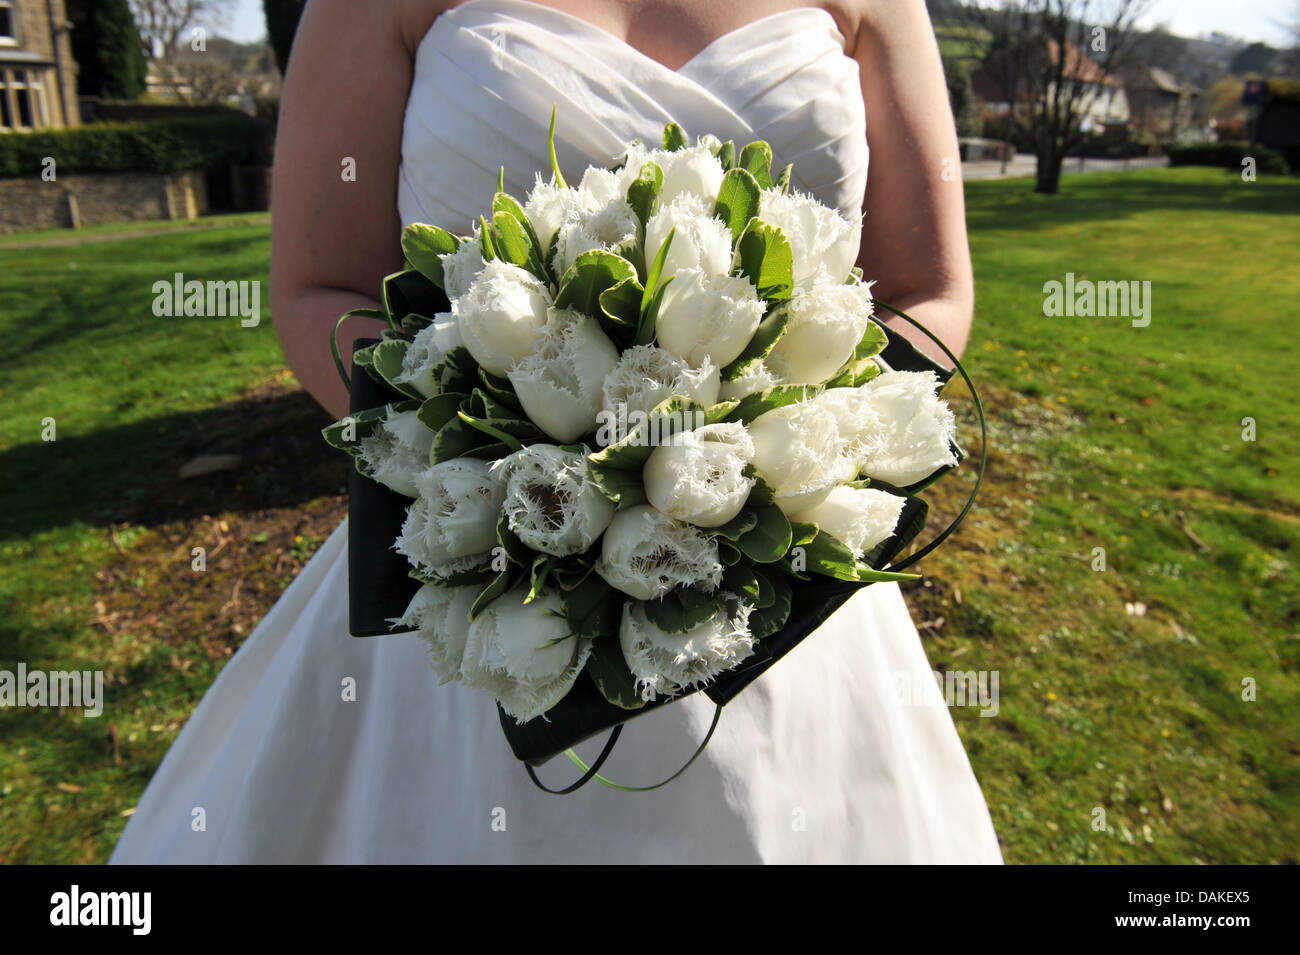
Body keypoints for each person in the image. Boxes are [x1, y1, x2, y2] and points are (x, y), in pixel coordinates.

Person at [111, 0, 1001, 863]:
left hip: (789, 581)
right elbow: (322, 289)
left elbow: (926, 289)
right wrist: (489, 464)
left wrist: (782, 455)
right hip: (484, 568)